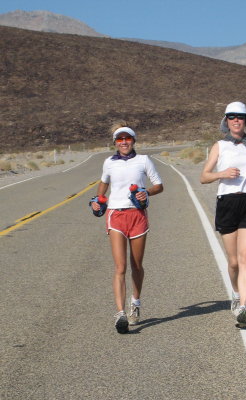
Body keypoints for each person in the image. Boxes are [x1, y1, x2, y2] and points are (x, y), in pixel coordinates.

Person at [200, 102, 246, 328]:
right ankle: (235, 293)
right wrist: (223, 173)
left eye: (240, 117)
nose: (236, 120)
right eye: (232, 117)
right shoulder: (219, 146)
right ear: (226, 121)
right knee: (233, 262)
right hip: (227, 202)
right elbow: (204, 176)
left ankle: (243, 307)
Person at [91, 123, 163, 333]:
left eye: (128, 139)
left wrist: (146, 192)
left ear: (133, 141)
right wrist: (98, 200)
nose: (124, 142)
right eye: (120, 139)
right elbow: (103, 184)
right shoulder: (109, 163)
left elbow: (159, 184)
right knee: (120, 267)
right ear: (115, 142)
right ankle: (120, 313)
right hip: (116, 215)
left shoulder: (143, 160)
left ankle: (136, 302)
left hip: (137, 215)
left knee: (136, 265)